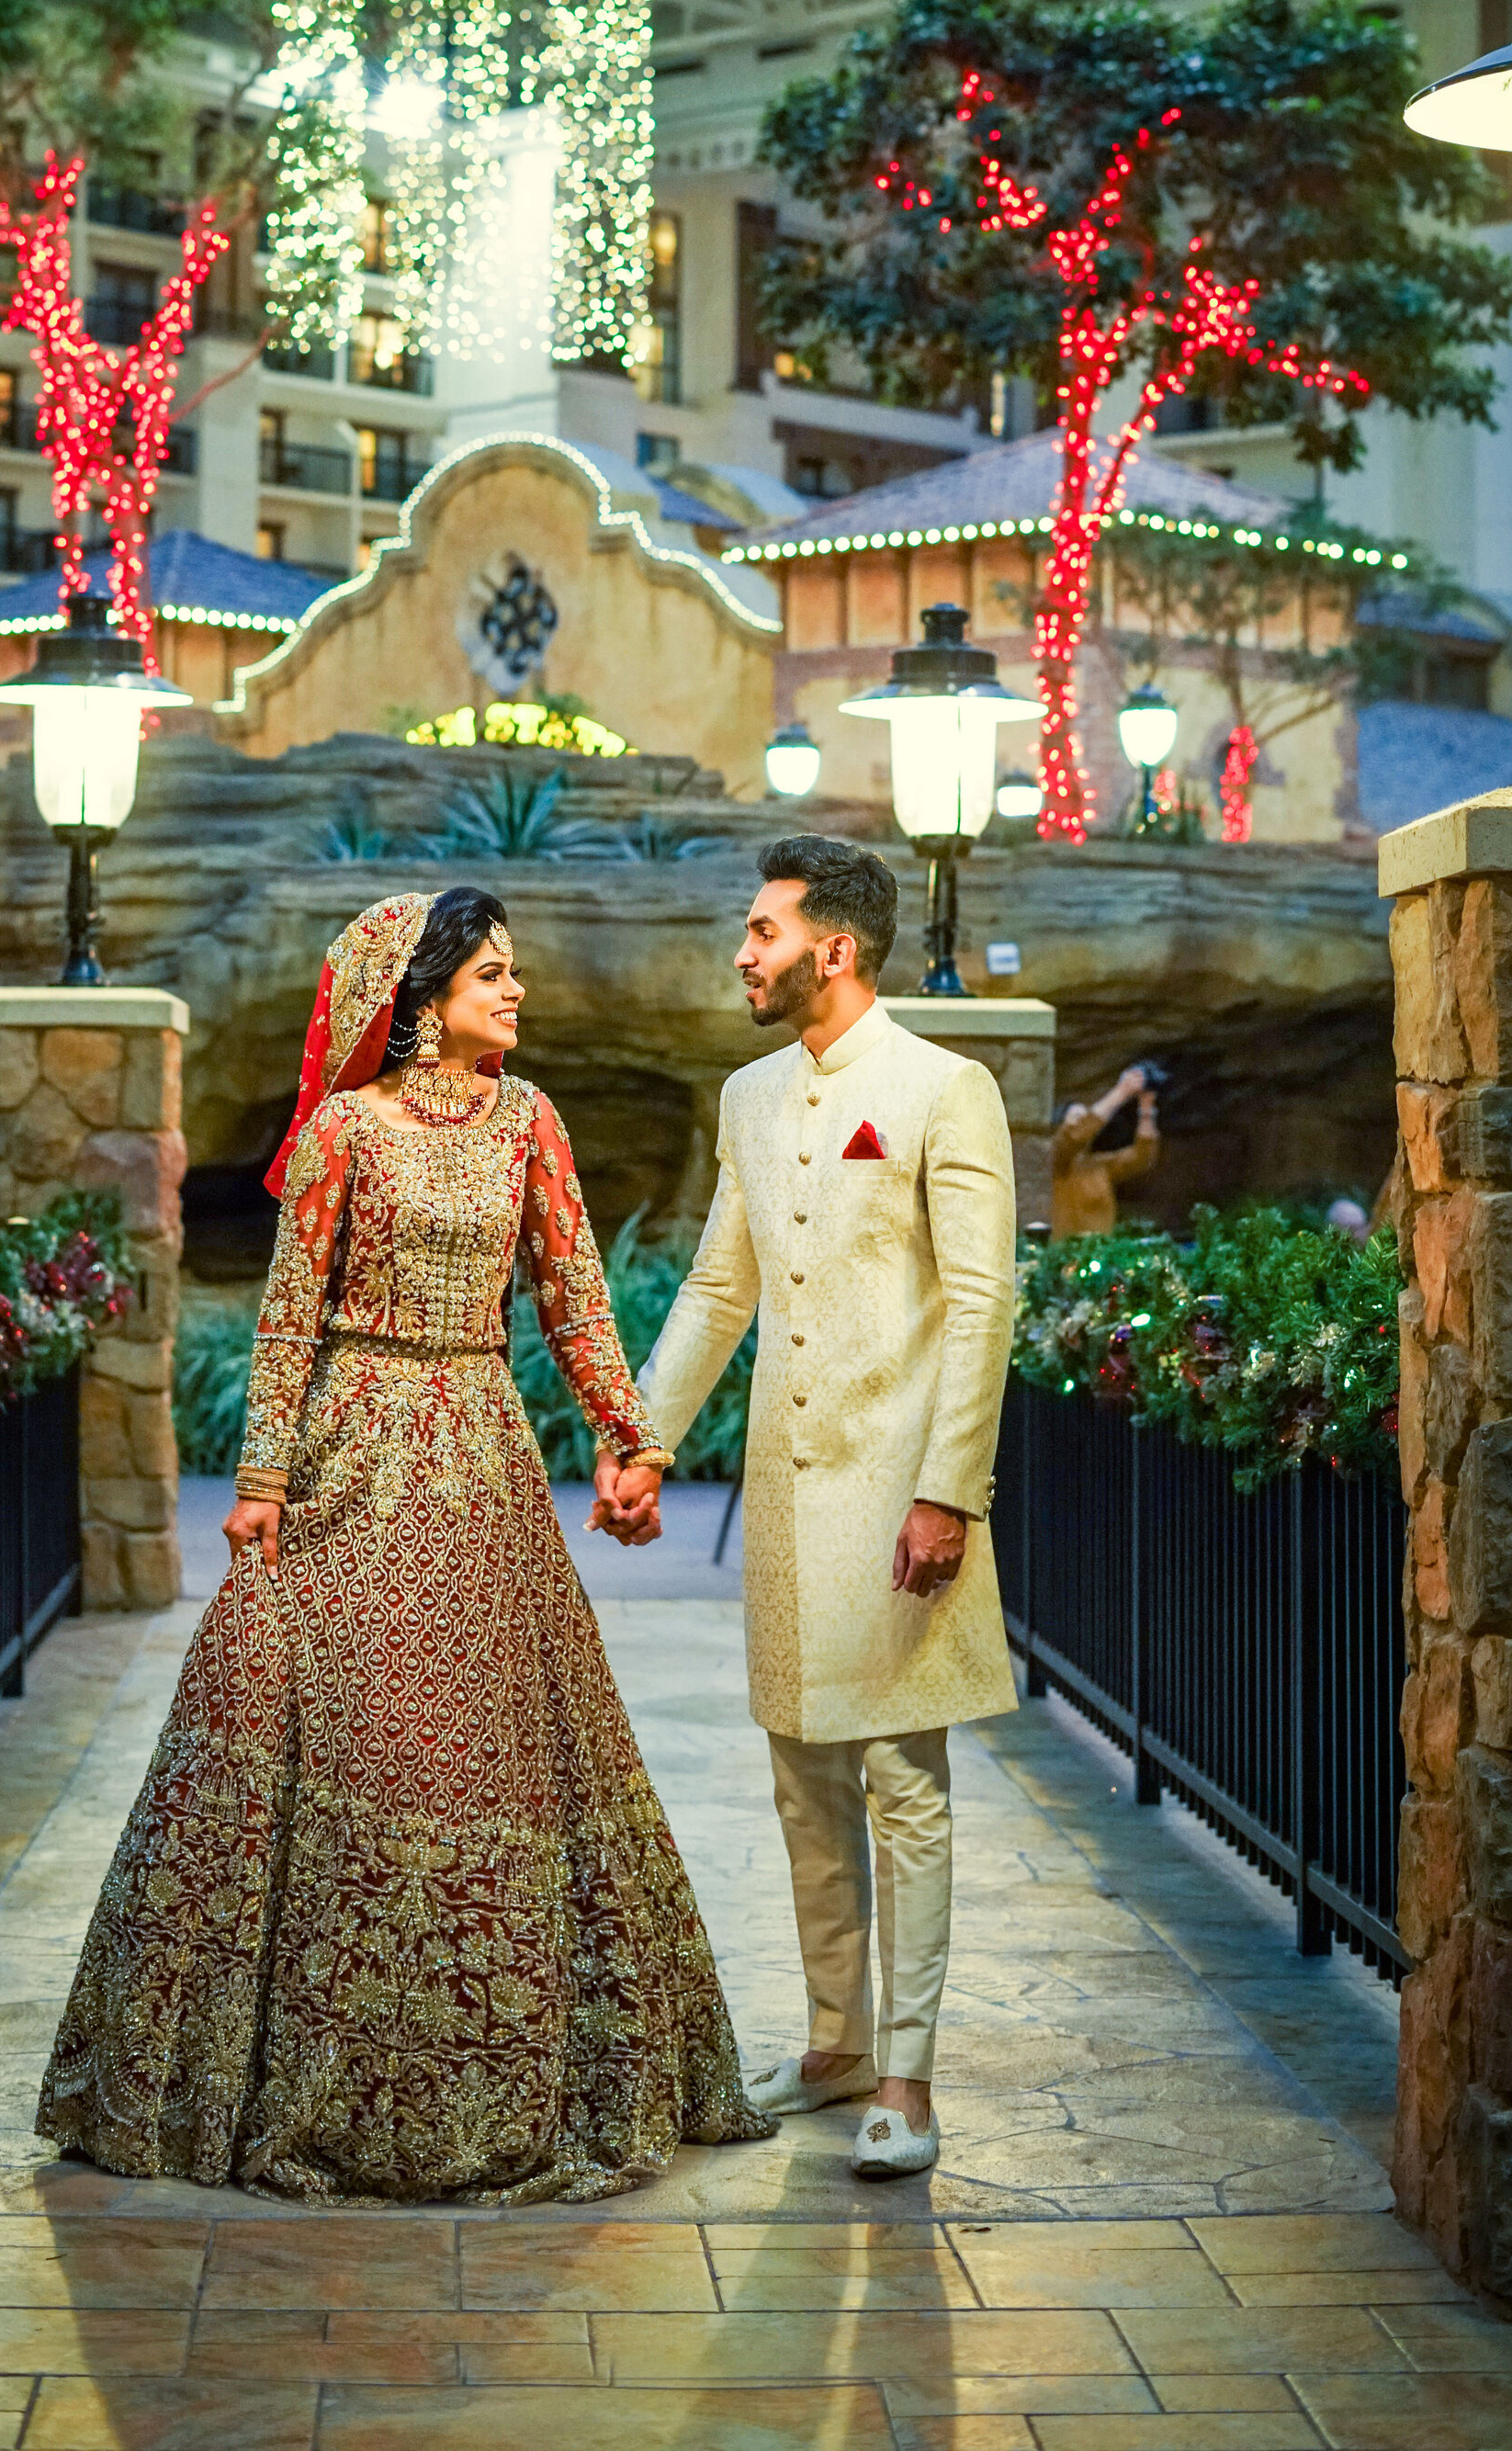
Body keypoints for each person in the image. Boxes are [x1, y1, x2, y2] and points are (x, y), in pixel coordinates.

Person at [39, 887, 771, 2204]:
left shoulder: (531, 1123)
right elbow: (283, 1316)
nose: (517, 993)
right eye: (493, 974)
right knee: (354, 1735)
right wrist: (260, 1479)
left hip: (481, 1448)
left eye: (515, 974)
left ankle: (500, 2065)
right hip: (353, 1451)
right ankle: (307, 2076)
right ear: (423, 1000)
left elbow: (576, 1292)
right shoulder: (342, 1132)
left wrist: (632, 1436)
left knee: (492, 1748)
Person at [594, 832, 1018, 2182]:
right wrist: (645, 1442)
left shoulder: (948, 1091)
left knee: (905, 1780)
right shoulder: (750, 1095)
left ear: (834, 948)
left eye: (762, 931)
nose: (743, 951)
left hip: (903, 1495)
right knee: (801, 1775)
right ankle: (835, 2046)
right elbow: (722, 1290)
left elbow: (984, 1302)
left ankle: (908, 2074)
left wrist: (949, 1490)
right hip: (787, 1498)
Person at [1049, 1061, 1163, 1238]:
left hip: (1101, 1255)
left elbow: (1142, 1156)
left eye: (1086, 1116)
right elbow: (1075, 1136)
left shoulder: (1098, 1166)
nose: (1085, 1121)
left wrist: (1146, 1110)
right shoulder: (1057, 1162)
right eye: (1078, 1117)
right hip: (1066, 1255)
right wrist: (1123, 1090)